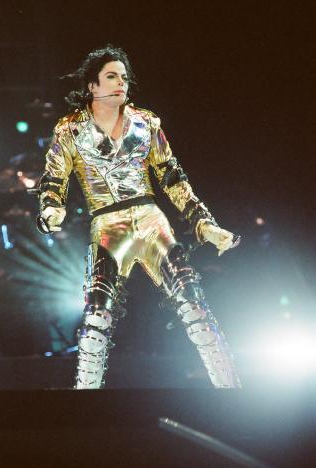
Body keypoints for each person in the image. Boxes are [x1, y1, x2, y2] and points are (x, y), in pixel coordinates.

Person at [36, 45, 241, 389]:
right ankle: (85, 402)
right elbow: (54, 177)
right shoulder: (70, 130)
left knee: (193, 305)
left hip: (150, 220)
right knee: (96, 317)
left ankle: (231, 393)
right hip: (107, 225)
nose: (121, 83)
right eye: (111, 76)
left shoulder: (146, 123)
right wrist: (51, 207)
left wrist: (203, 222)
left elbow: (172, 177)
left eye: (124, 77)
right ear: (92, 86)